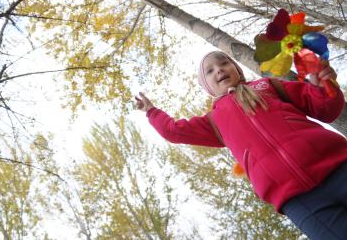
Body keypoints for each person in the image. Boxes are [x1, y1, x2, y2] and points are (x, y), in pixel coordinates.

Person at [135, 51, 347, 239]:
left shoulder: (269, 86)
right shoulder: (213, 121)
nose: (219, 70)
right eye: (210, 71)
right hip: (300, 202)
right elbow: (173, 131)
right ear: (207, 87)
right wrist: (152, 111)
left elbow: (324, 108)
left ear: (236, 68)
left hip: (338, 167)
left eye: (224, 63)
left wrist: (323, 86)